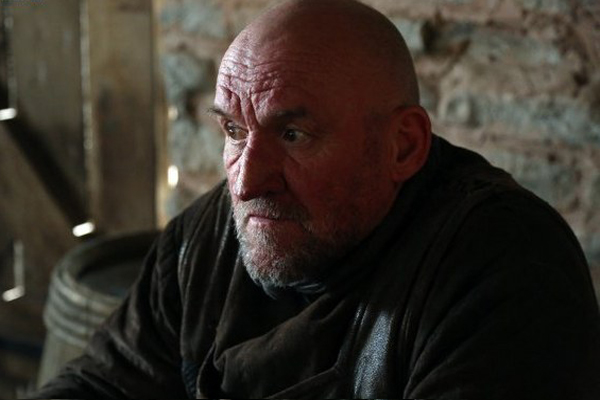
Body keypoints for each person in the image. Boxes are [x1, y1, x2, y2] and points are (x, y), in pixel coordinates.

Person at [34, 0, 600, 398]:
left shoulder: (502, 269)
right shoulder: (208, 240)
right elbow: (101, 385)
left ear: (403, 146)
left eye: (293, 134)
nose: (246, 183)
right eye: (233, 130)